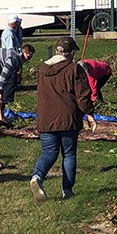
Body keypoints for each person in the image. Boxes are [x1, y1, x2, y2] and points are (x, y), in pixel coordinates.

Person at [30, 36, 94, 201]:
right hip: (68, 118)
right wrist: (89, 113)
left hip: (45, 118)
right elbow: (83, 96)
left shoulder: (42, 69)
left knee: (48, 152)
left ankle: (37, 177)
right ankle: (67, 190)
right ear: (71, 53)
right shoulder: (74, 69)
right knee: (69, 154)